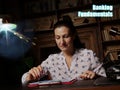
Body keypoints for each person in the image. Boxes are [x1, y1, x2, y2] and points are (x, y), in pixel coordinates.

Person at [21, 16, 106, 85]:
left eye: (65, 36)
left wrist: (95, 76)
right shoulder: (52, 60)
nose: (62, 42)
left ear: (73, 36)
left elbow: (105, 78)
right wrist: (29, 76)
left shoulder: (88, 55)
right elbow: (24, 79)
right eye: (57, 38)